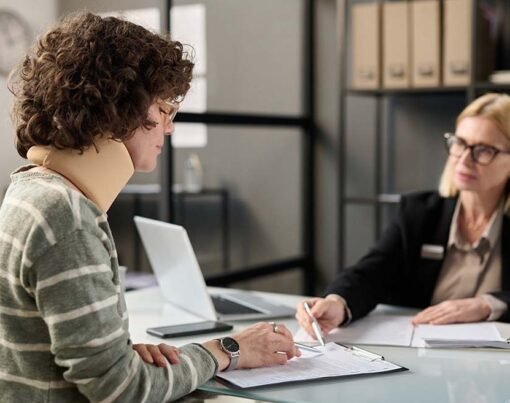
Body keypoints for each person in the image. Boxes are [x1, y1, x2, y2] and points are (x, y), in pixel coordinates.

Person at [0, 12, 299, 402]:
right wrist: (228, 351)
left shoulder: (28, 189)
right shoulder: (66, 216)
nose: (169, 127)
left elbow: (59, 357)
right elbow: (123, 391)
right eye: (163, 110)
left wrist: (115, 358)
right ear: (120, 109)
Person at [297, 92, 510, 339]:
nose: (463, 159)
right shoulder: (418, 212)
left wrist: (486, 305)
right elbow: (372, 272)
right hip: (422, 357)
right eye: (459, 143)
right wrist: (337, 302)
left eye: (483, 150)